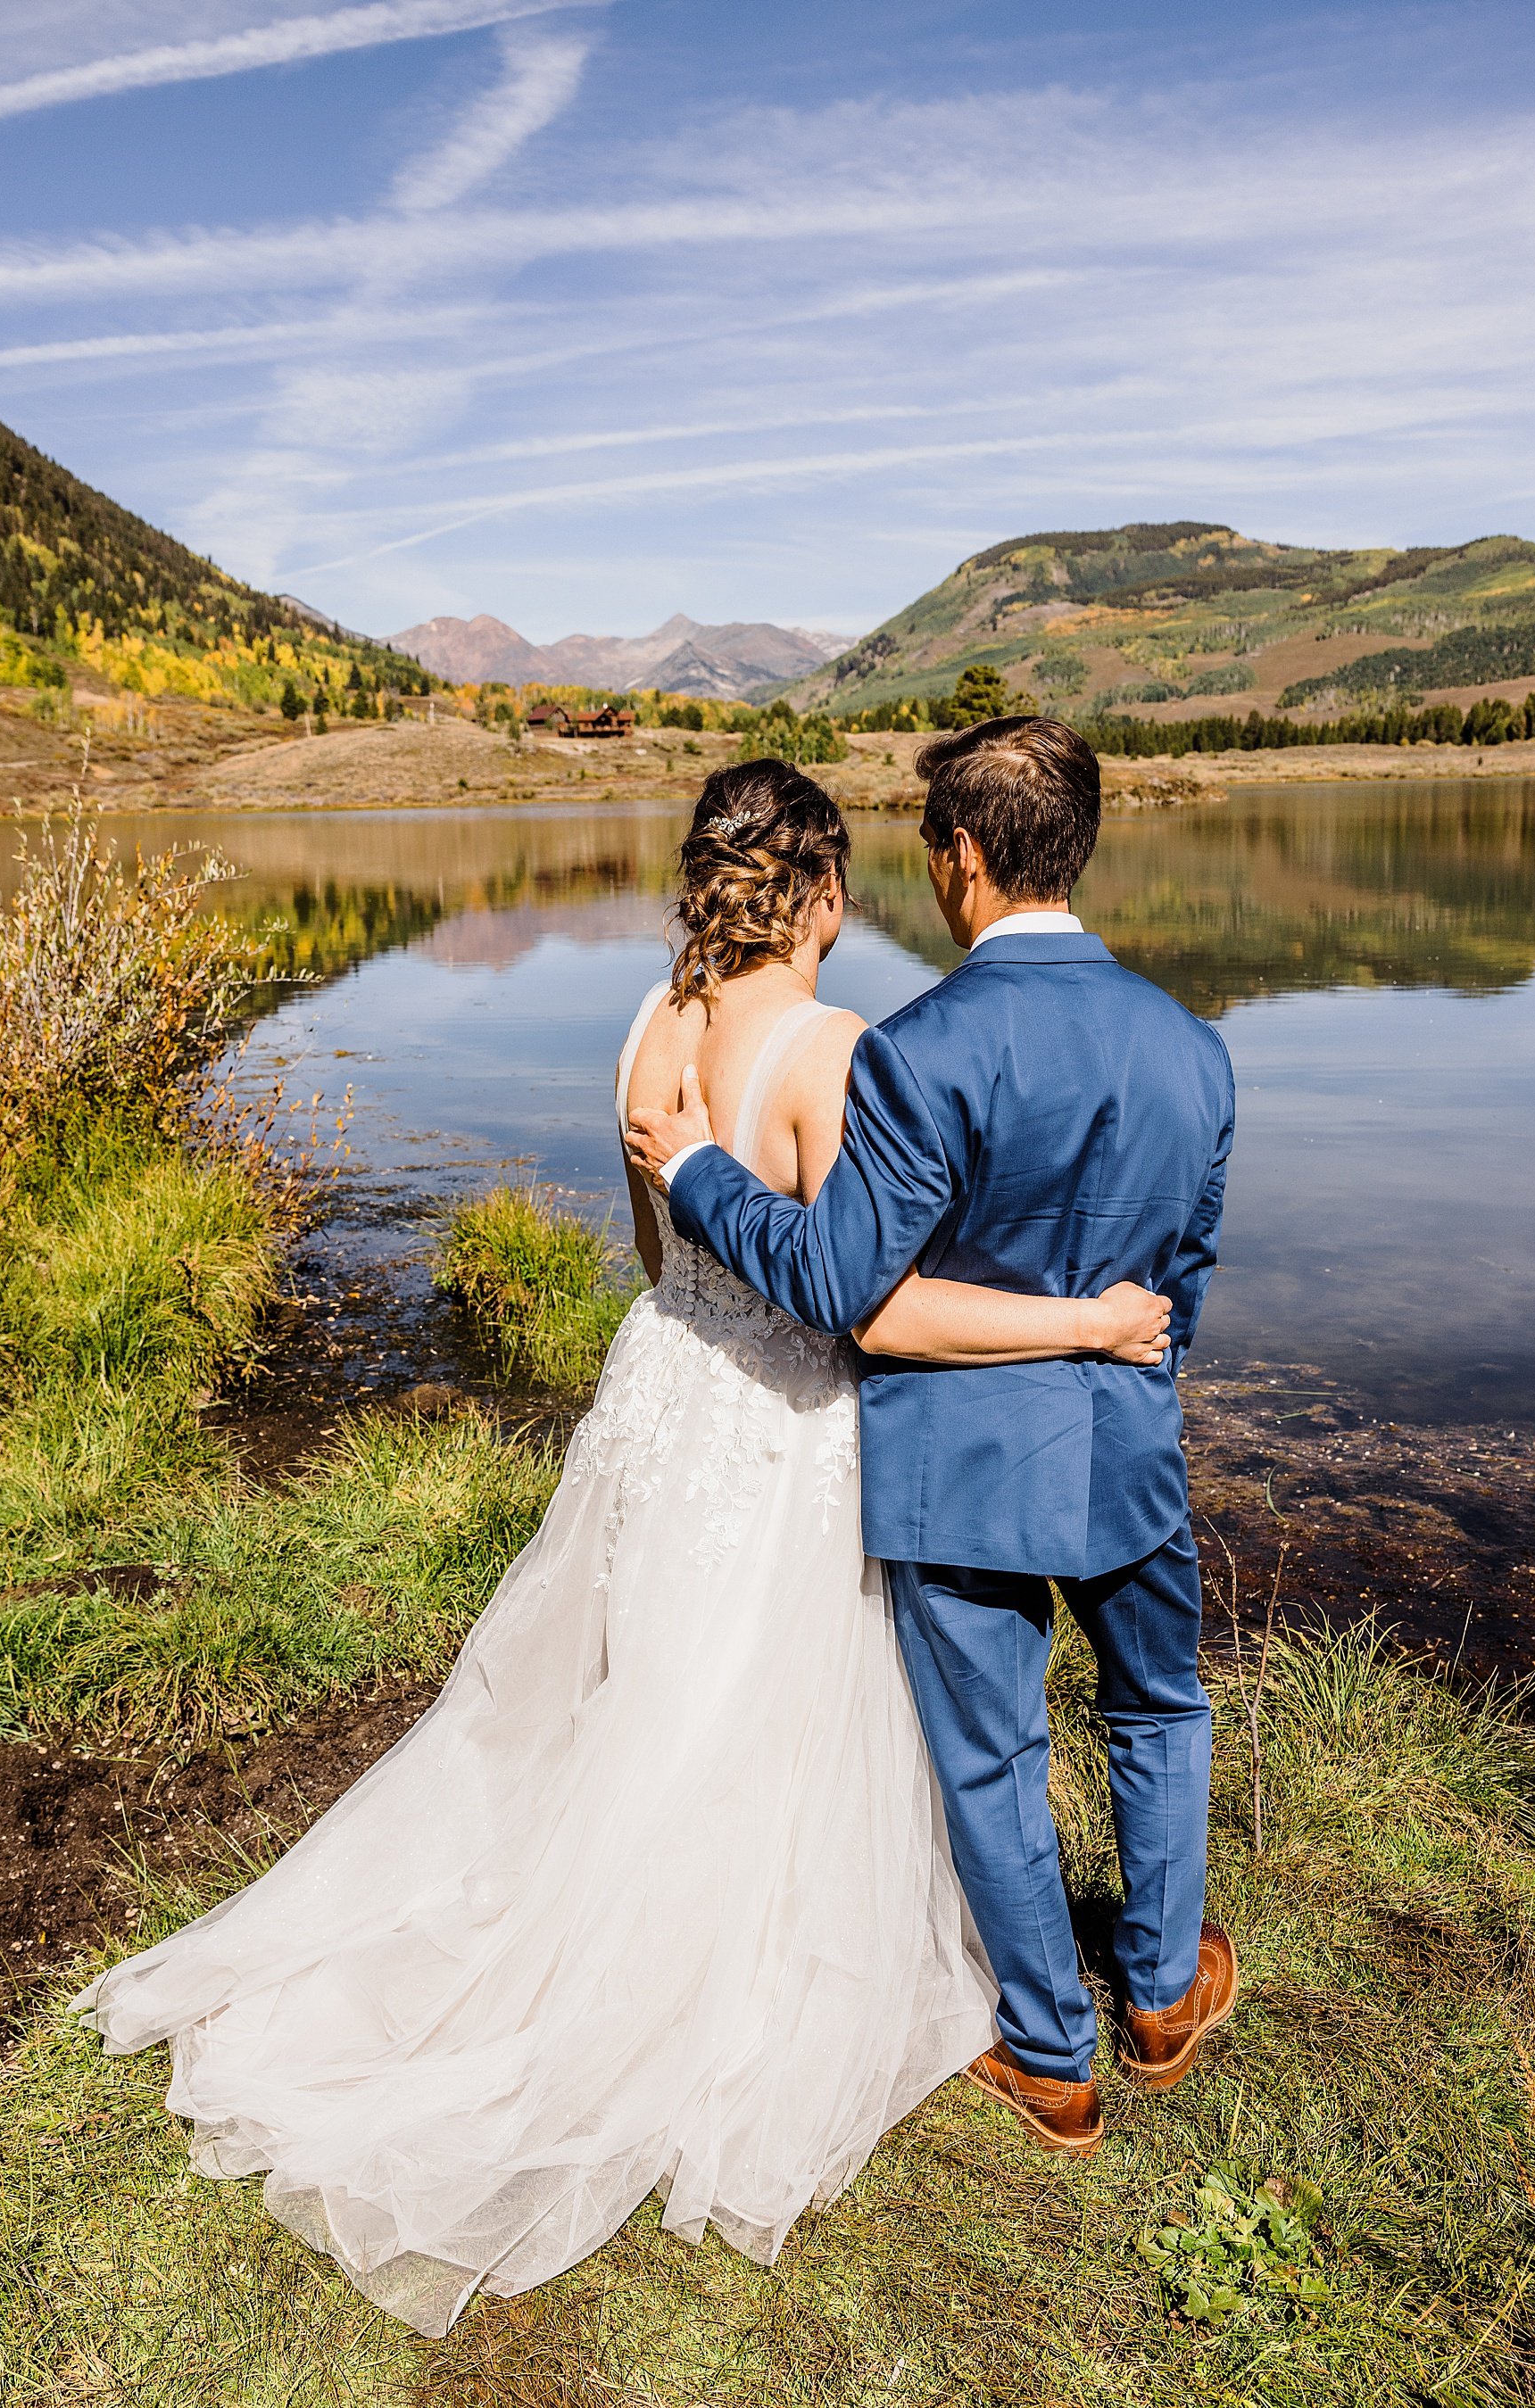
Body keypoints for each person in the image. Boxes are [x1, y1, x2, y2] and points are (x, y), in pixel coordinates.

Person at [73, 757, 1169, 2335]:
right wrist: (1086, 1321)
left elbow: (667, 1258)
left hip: (663, 1402)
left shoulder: (647, 1030)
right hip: (784, 1432)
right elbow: (862, 1303)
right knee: (751, 1714)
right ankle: (694, 1989)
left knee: (646, 1694)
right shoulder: (837, 1052)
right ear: (829, 894)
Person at [627, 716, 1239, 2164]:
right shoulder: (1195, 1047)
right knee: (1158, 1705)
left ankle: (1050, 2057)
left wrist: (702, 1172)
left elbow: (843, 1286)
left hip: (965, 1467)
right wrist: (1119, 1363)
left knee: (992, 1757)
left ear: (959, 857)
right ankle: (1159, 1994)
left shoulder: (915, 1054)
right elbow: (1187, 1281)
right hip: (1134, 1450)